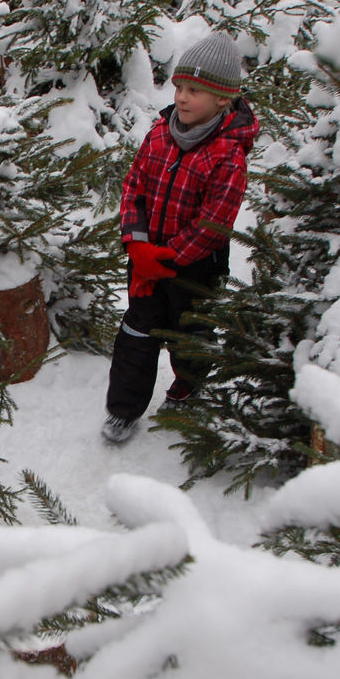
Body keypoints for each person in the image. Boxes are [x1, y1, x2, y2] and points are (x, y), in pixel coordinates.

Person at [101, 32, 260, 446]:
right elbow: (133, 185)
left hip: (194, 267)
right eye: (179, 87)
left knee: (189, 333)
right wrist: (137, 244)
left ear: (223, 99)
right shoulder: (159, 133)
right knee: (137, 331)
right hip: (145, 257)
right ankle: (123, 408)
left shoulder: (228, 154)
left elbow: (215, 221)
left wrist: (168, 258)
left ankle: (188, 382)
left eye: (195, 90)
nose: (183, 97)